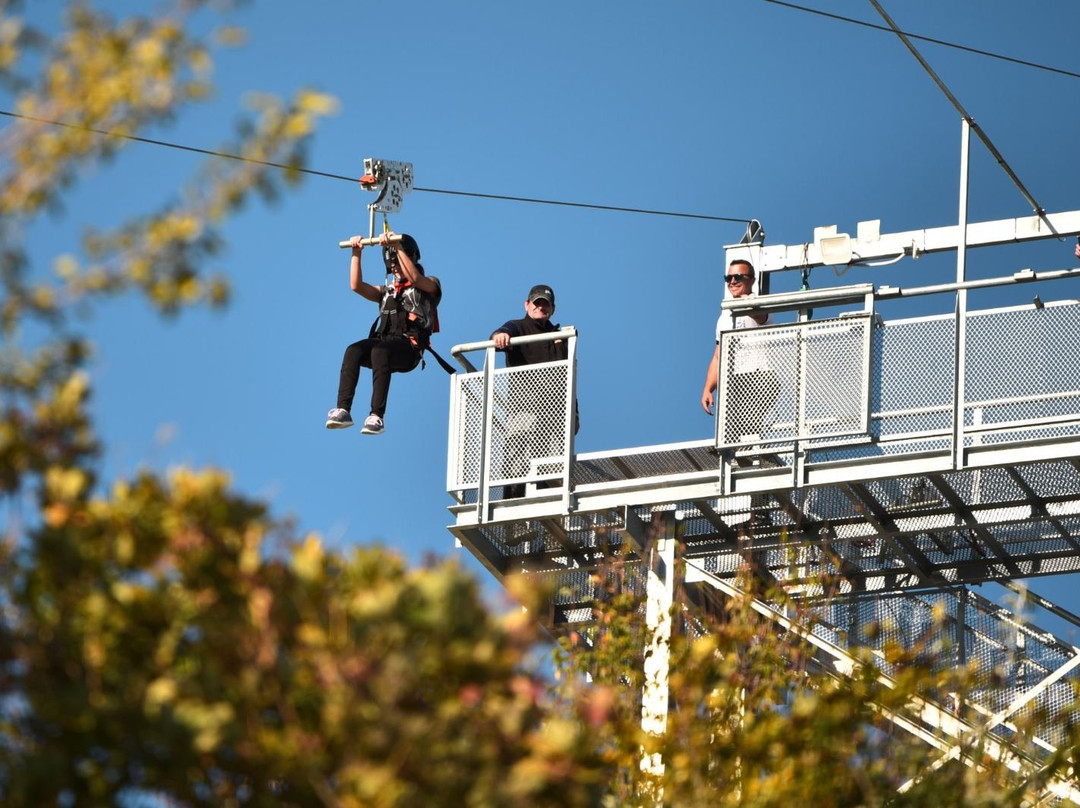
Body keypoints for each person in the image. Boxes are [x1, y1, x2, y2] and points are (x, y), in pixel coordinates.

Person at [325, 232, 441, 435]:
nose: (394, 267)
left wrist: (397, 247)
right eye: (391, 264)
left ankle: (376, 416)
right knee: (353, 350)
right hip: (385, 345)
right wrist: (356, 252)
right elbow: (356, 286)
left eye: (396, 261)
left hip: (409, 349)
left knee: (379, 350)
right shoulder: (386, 291)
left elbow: (414, 277)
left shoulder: (430, 285)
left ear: (410, 256)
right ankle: (343, 409)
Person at [491, 284, 578, 499]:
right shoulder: (517, 327)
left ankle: (548, 513)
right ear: (527, 304)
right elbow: (501, 333)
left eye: (545, 304)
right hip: (524, 408)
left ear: (552, 309)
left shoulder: (558, 337)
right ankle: (512, 516)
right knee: (516, 462)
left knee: (552, 468)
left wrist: (574, 412)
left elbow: (568, 378)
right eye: (537, 303)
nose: (541, 307)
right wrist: (500, 336)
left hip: (553, 414)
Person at [701, 259, 778, 441]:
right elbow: (718, 356)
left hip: (761, 376)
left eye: (738, 277)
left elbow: (760, 316)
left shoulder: (758, 302)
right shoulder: (724, 317)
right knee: (733, 430)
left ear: (751, 280)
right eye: (728, 277)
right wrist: (708, 388)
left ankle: (750, 448)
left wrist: (746, 303)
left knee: (747, 426)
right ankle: (741, 450)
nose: (732, 281)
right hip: (736, 381)